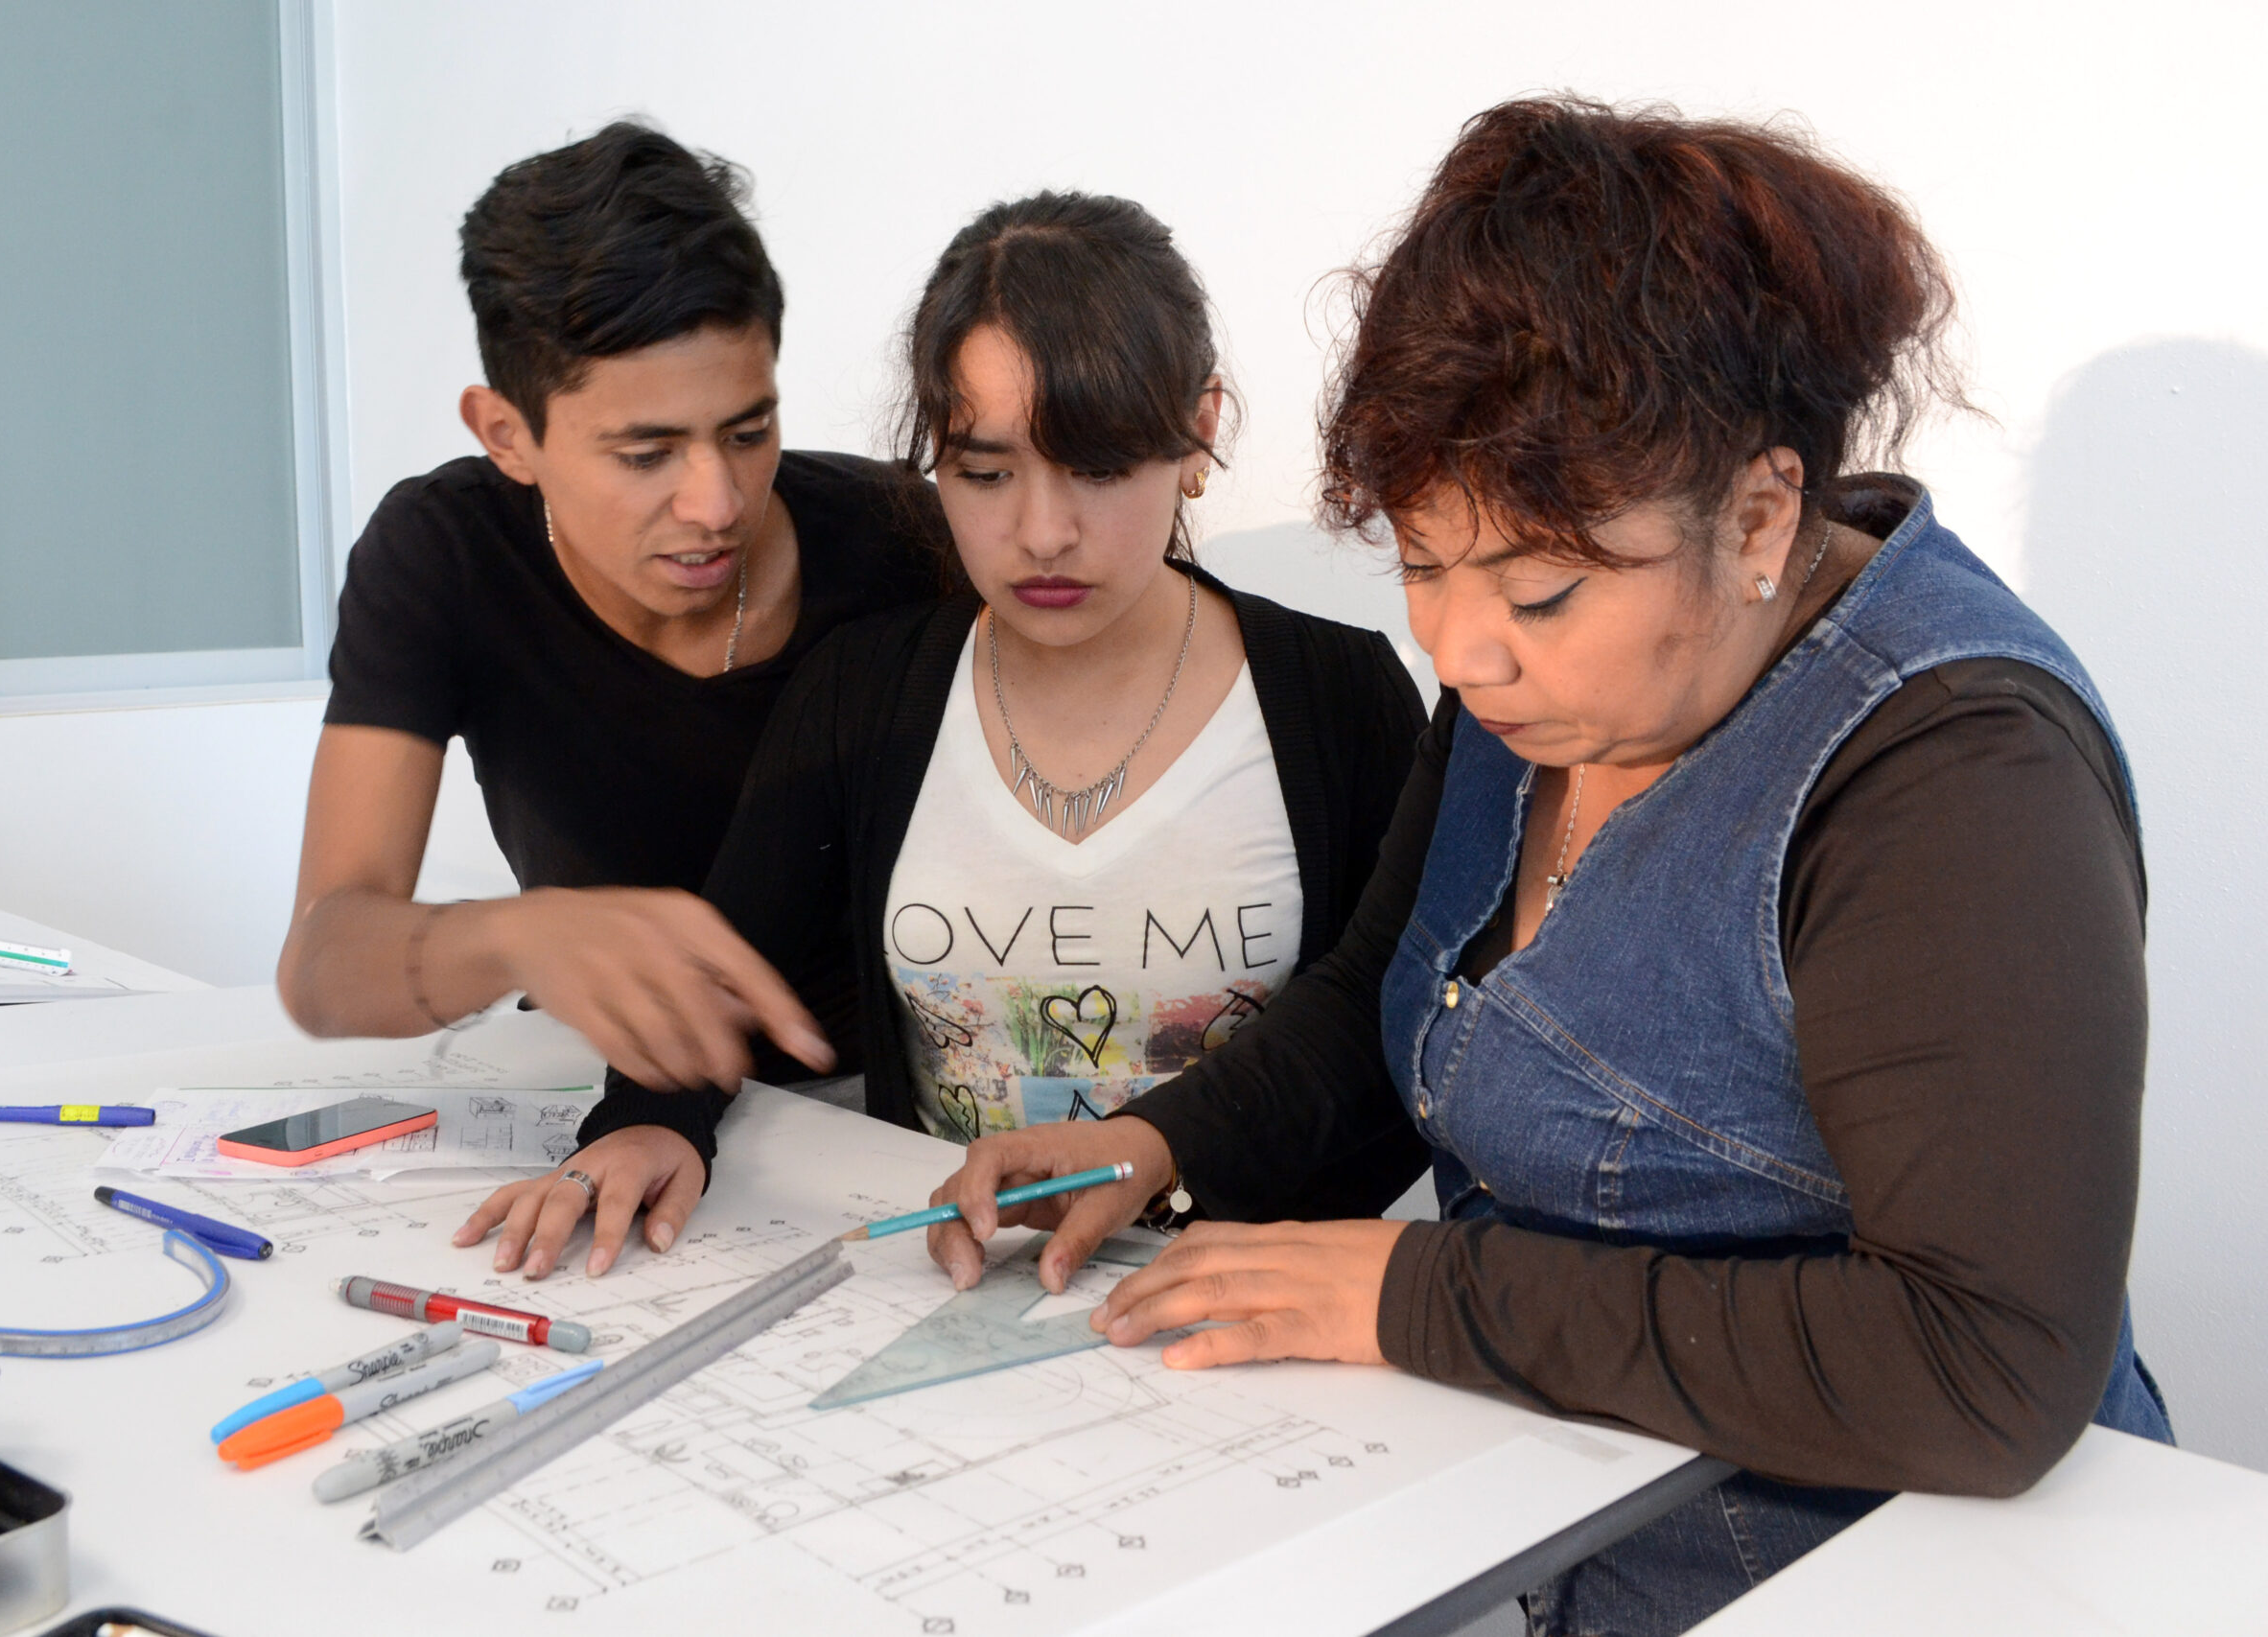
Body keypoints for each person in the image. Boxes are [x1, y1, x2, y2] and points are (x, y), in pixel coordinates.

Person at [922, 100, 2174, 1636]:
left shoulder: (1961, 778)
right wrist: (1159, 1141)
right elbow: (1395, 1000)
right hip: (1582, 1538)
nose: (1461, 649)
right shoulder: (1540, 688)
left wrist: (1418, 1293)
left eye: (1541, 591)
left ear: (1761, 514)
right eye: (1421, 561)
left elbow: (1983, 1360)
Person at [455, 193, 1430, 1280]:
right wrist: (648, 1122)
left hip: (1243, 1300)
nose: (1042, 533)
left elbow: (1389, 1037)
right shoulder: (864, 693)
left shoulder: (1338, 696)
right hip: (958, 1283)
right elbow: (724, 968)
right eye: (985, 471)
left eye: (1097, 467)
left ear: (1198, 430)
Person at [278, 123, 944, 1211]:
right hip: (598, 1092)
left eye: (748, 432)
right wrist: (515, 937)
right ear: (507, 435)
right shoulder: (446, 552)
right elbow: (321, 966)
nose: (716, 504)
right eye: (646, 454)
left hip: (869, 1118)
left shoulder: (901, 547)